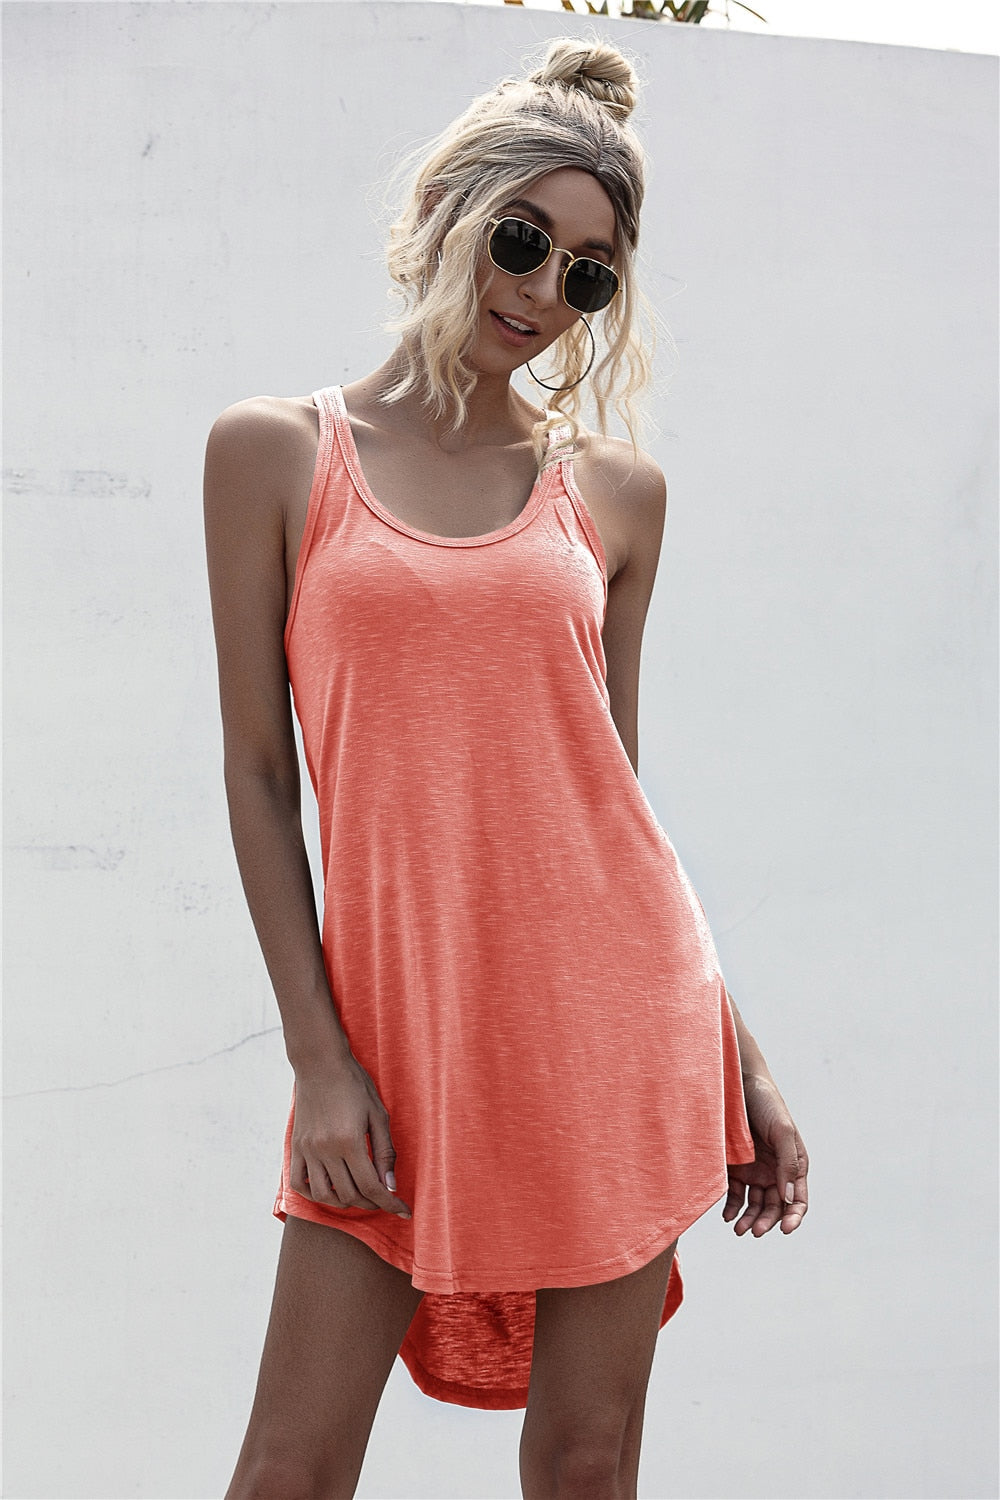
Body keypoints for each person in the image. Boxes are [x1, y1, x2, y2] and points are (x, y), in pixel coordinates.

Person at [203, 34, 809, 1500]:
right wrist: (317, 1059)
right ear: (443, 212)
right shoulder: (275, 455)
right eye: (521, 241)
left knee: (586, 1466)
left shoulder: (614, 494)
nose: (541, 294)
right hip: (394, 1042)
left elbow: (615, 798)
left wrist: (740, 1058)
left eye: (587, 275)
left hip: (613, 1033)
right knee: (289, 1470)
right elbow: (259, 776)